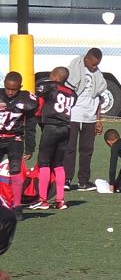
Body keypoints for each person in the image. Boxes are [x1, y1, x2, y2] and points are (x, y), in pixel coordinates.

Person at [32, 67, 75, 211]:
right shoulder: (72, 93)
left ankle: (42, 200)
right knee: (59, 164)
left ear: (55, 77)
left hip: (51, 127)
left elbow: (38, 99)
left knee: (44, 163)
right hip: (66, 128)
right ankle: (60, 200)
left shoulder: (49, 86)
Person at [68, 48, 110, 191]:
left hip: (90, 117)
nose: (95, 67)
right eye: (93, 64)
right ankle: (66, 179)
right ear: (86, 59)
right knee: (69, 148)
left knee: (87, 150)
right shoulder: (74, 69)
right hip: (73, 115)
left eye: (97, 64)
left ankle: (83, 181)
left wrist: (98, 120)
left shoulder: (98, 75)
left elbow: (98, 99)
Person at [0, 72, 39, 209]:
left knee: (16, 171)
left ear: (20, 87)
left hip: (14, 138)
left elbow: (30, 126)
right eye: (8, 88)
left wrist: (30, 147)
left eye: (14, 89)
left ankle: (16, 206)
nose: (10, 92)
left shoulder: (26, 99)